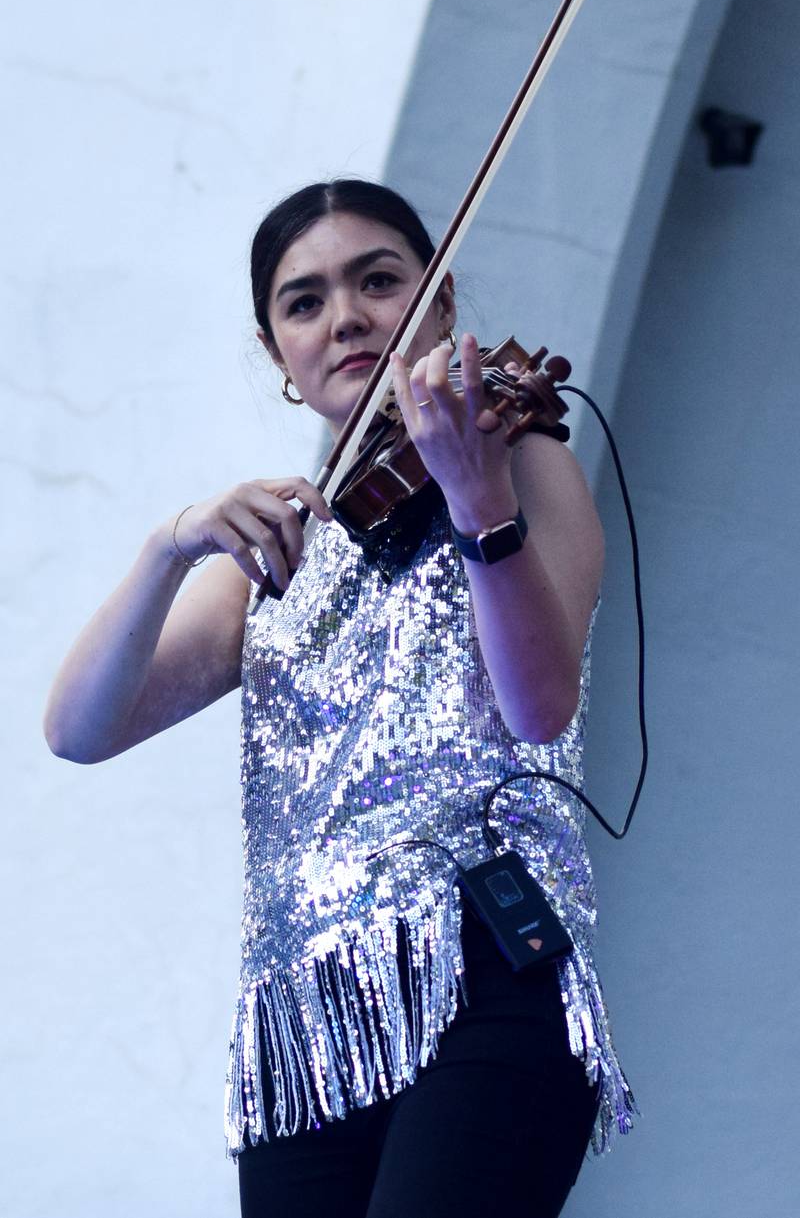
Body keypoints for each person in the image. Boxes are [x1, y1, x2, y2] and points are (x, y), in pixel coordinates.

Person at [45, 180, 635, 1217]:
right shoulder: (282, 546)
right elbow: (78, 727)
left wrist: (476, 497)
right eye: (303, 300)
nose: (346, 315)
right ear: (279, 354)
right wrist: (170, 545)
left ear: (438, 299)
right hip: (304, 1025)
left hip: (485, 970)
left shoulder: (521, 454)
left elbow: (539, 704)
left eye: (377, 279)